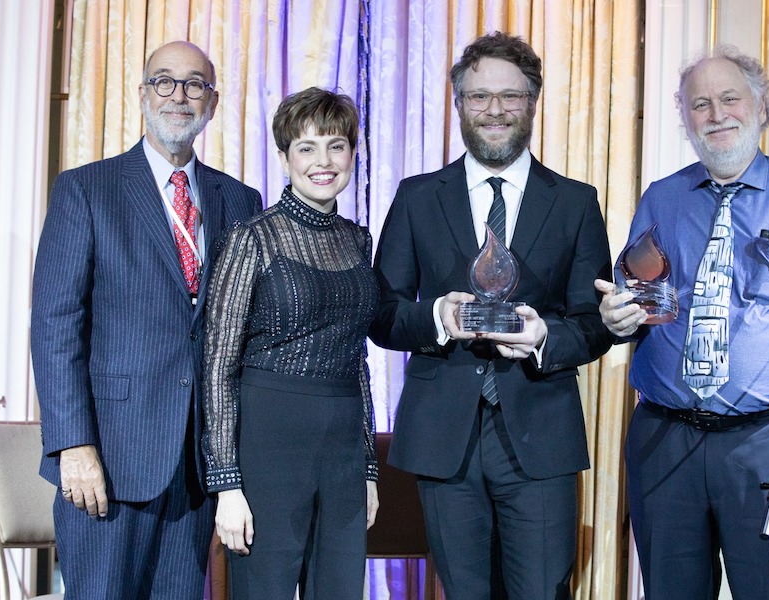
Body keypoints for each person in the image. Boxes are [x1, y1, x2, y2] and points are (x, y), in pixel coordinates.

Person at [596, 45, 769, 599]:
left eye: (730, 98)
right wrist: (616, 317)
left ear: (761, 107)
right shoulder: (662, 199)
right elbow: (635, 296)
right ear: (685, 119)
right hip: (664, 441)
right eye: (700, 104)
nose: (717, 114)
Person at [370, 31, 613, 599]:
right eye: (479, 97)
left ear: (533, 101)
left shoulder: (576, 202)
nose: (495, 110)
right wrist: (437, 319)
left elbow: (594, 321)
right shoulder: (416, 196)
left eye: (511, 95)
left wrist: (543, 337)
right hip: (443, 438)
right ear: (458, 105)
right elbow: (382, 313)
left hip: (540, 435)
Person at [31, 41, 262, 598]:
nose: (178, 95)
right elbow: (55, 325)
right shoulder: (86, 190)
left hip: (198, 464)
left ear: (211, 102)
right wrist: (73, 445)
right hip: (108, 459)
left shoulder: (240, 201)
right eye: (164, 81)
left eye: (194, 84)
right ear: (141, 95)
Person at [202, 87, 379, 599]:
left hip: (343, 451)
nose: (323, 161)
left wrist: (368, 468)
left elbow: (358, 361)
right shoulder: (251, 238)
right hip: (268, 448)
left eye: (336, 145)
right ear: (284, 158)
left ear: (351, 153)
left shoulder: (358, 239)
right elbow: (218, 364)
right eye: (306, 147)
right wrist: (227, 484)